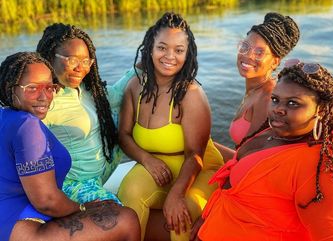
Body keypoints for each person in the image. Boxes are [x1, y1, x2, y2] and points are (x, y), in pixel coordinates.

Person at [191, 60, 333, 241]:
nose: (279, 109)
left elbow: (332, 234)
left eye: (293, 103)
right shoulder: (274, 132)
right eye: (275, 99)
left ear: (322, 110)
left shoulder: (322, 164)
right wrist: (206, 217)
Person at [0, 52, 140, 241]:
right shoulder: (27, 125)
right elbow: (47, 201)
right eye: (32, 88)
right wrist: (81, 207)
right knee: (126, 218)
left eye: (50, 88)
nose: (44, 97)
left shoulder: (6, 116)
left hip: (12, 222)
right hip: (24, 231)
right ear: (10, 88)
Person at [117, 12, 224, 241]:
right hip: (156, 165)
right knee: (129, 192)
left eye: (179, 50)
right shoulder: (135, 86)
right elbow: (124, 135)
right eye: (162, 48)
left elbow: (196, 155)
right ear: (150, 48)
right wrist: (147, 159)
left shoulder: (191, 94)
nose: (170, 56)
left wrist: (176, 195)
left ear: (188, 54)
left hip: (200, 169)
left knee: (178, 217)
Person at [36, 23, 135, 204]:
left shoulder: (87, 90)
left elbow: (118, 94)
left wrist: (145, 62)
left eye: (86, 61)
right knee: (121, 217)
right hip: (72, 183)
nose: (80, 68)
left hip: (100, 174)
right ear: (51, 57)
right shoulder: (44, 100)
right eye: (72, 60)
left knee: (123, 108)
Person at [215, 12, 300, 161]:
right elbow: (243, 153)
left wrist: (205, 144)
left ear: (275, 62)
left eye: (259, 52)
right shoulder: (255, 90)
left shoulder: (268, 98)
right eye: (245, 47)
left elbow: (250, 160)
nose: (248, 56)